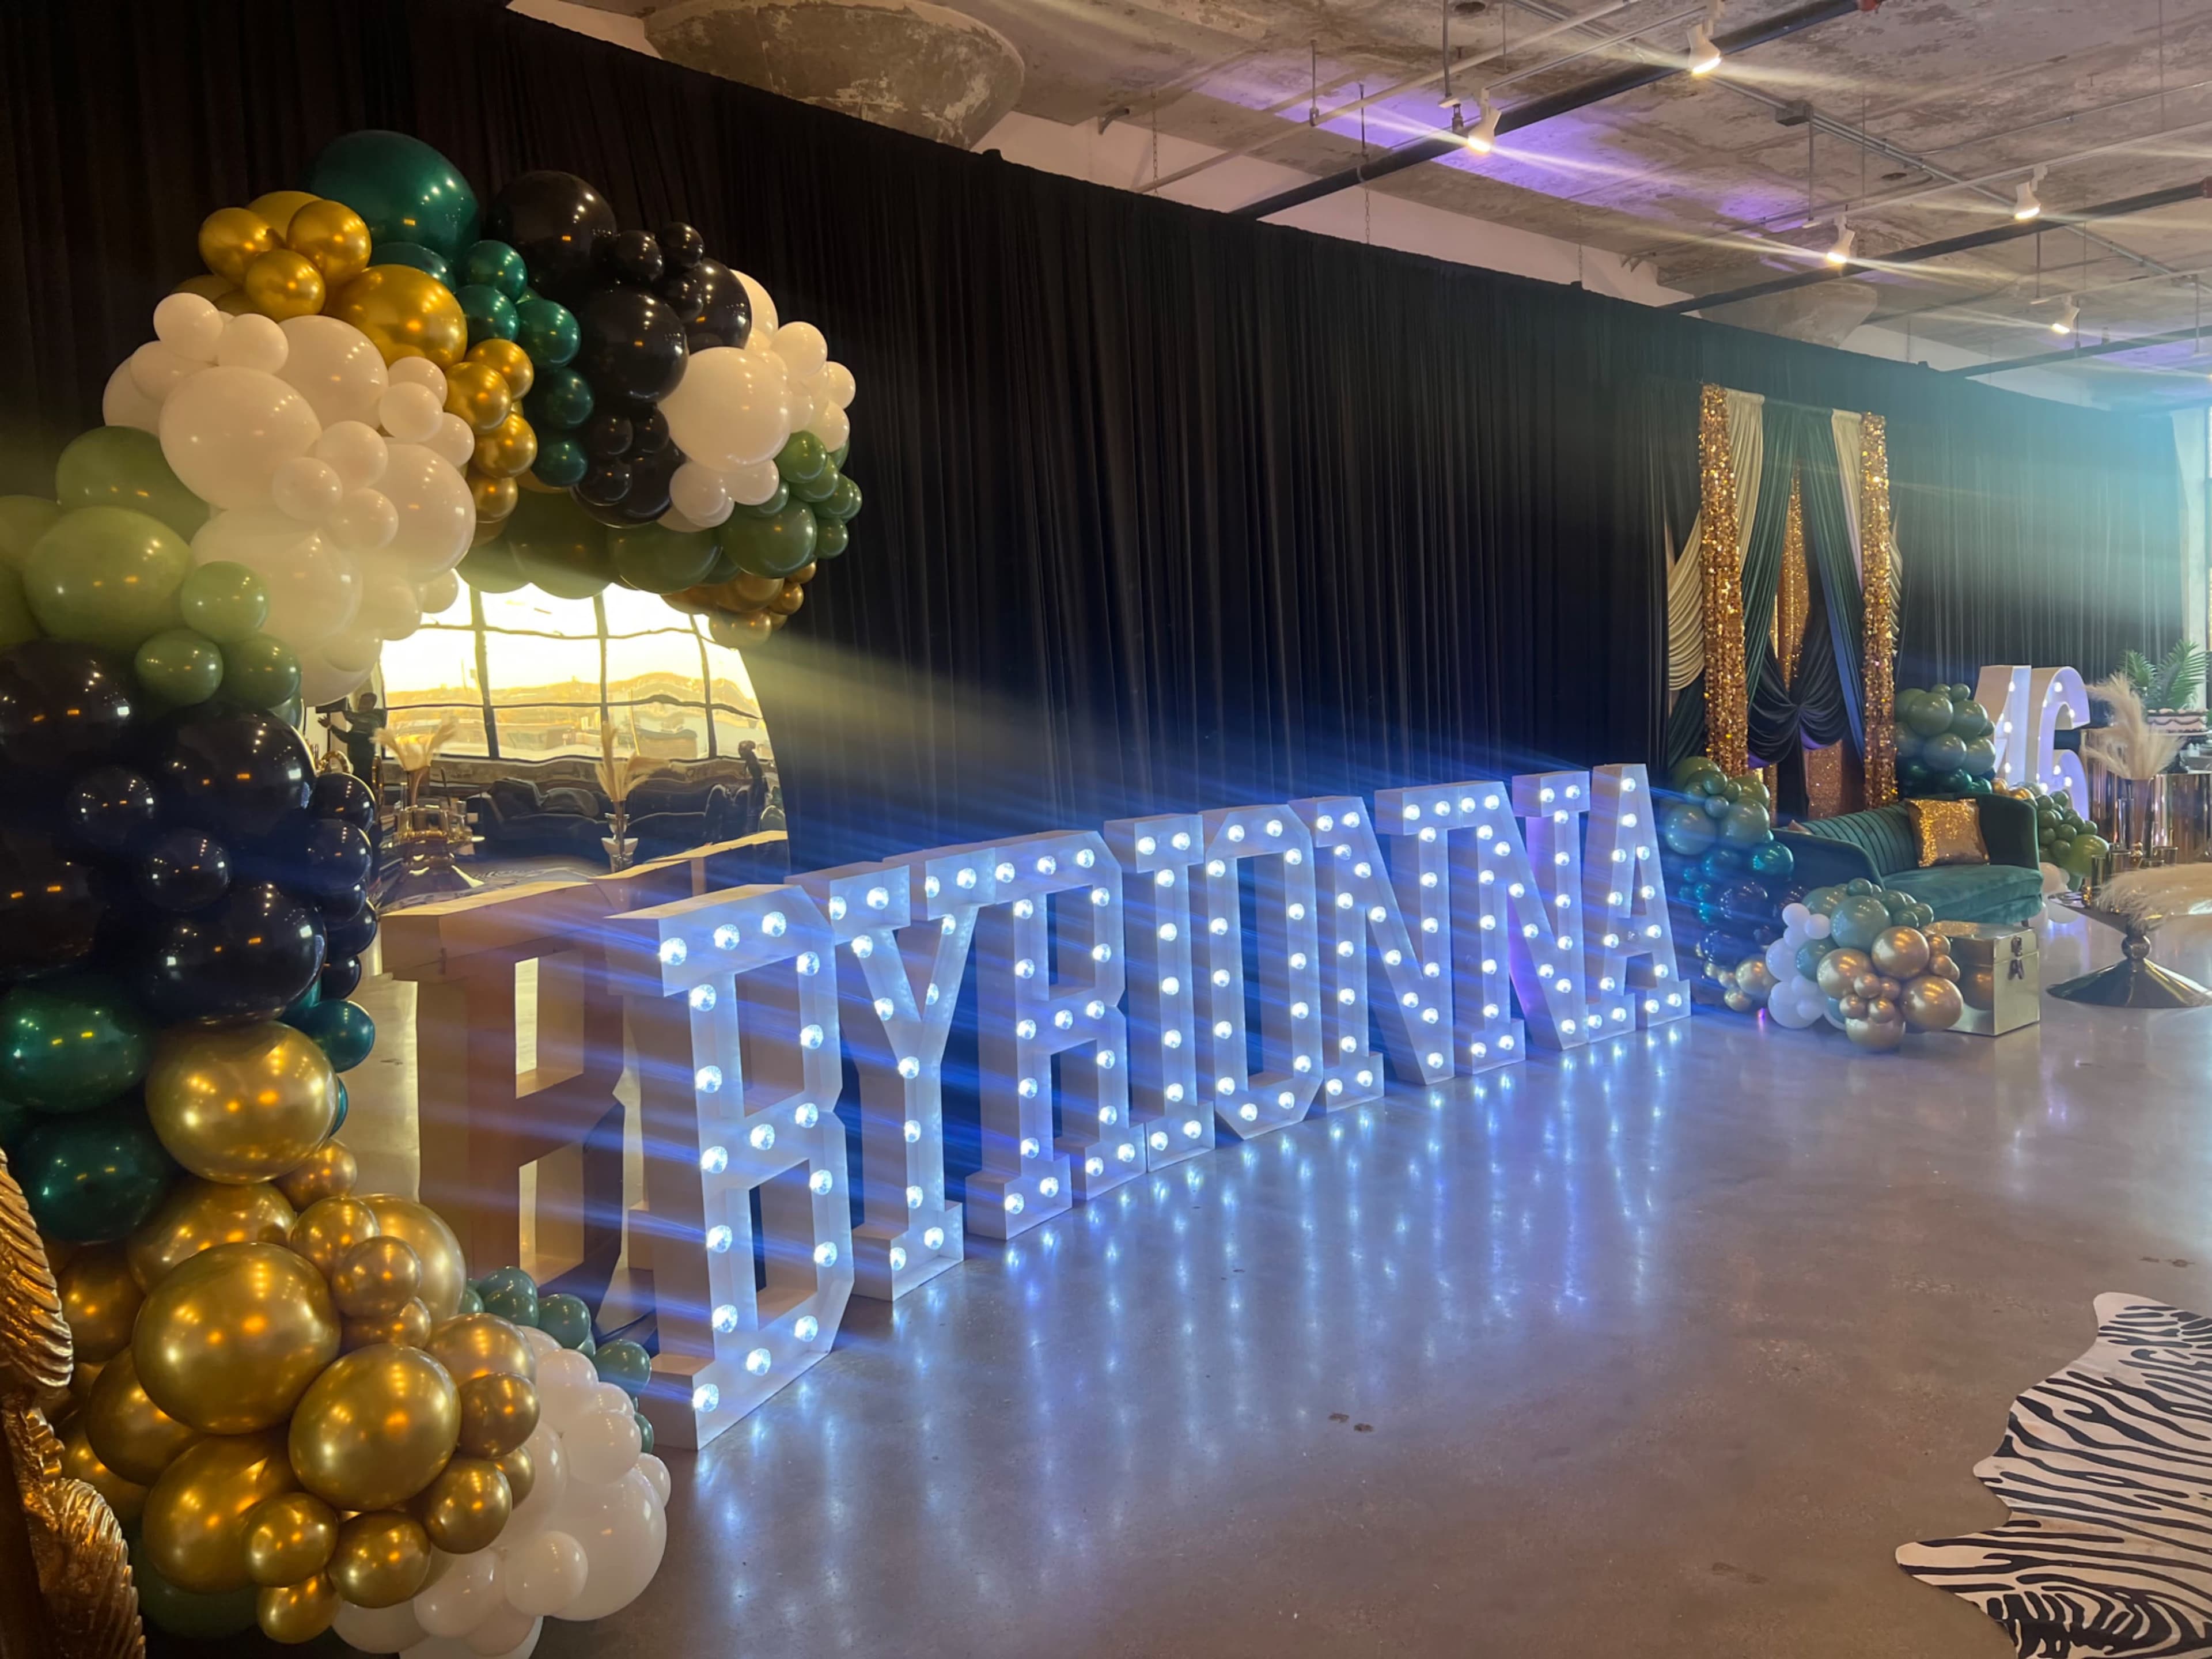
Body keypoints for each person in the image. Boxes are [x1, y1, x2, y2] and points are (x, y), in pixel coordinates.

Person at [736, 739, 767, 838]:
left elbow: (757, 778)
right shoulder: (752, 760)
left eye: (742, 750)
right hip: (755, 791)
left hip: (756, 792)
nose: (740, 753)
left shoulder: (752, 760)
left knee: (753, 816)